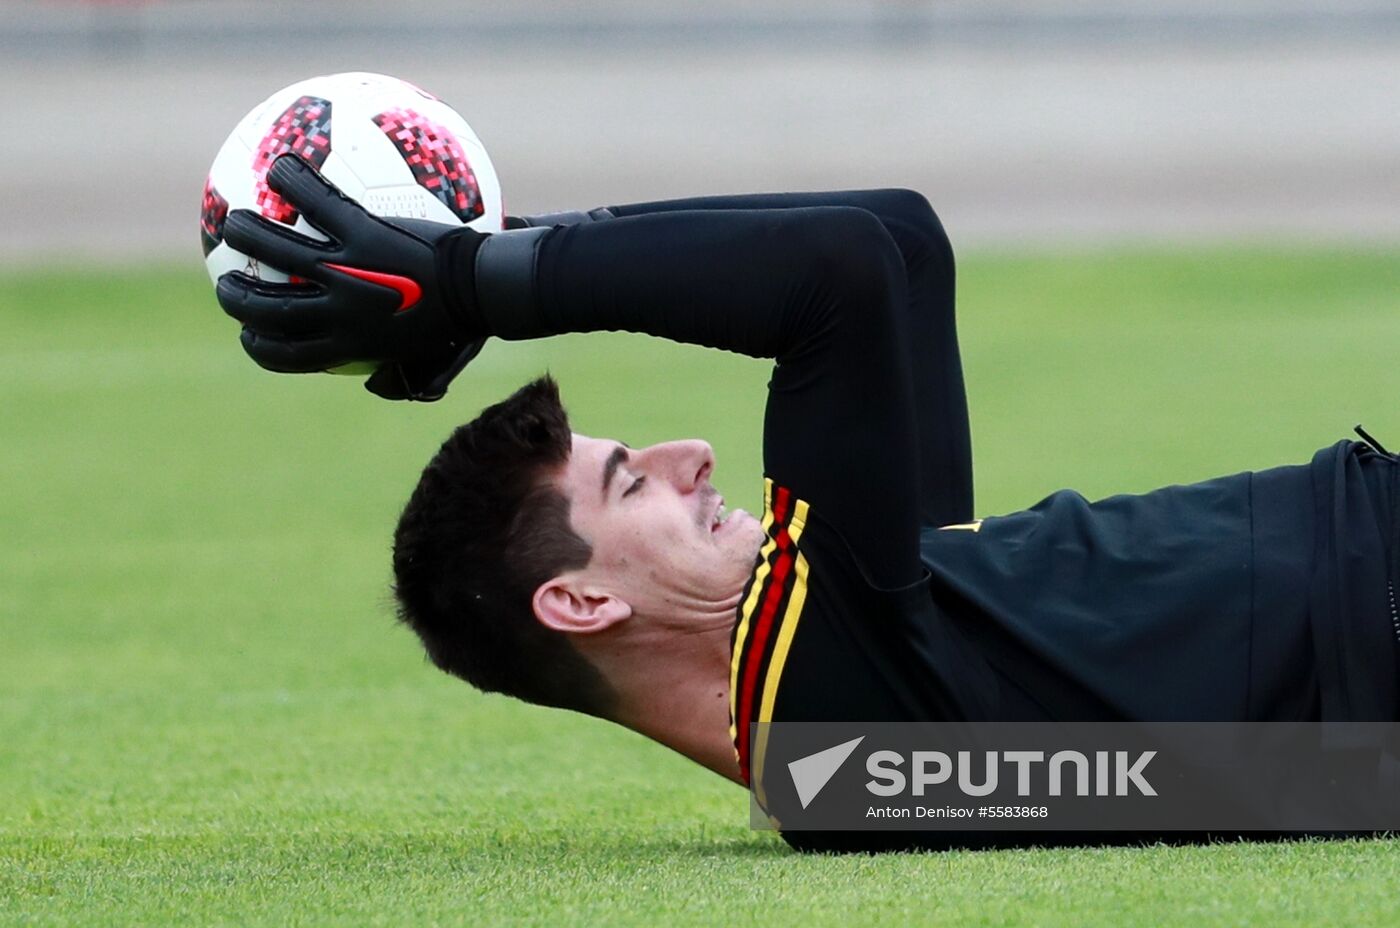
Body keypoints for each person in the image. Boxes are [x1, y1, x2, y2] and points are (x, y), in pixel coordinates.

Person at [216, 153, 1399, 852]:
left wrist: (500, 248)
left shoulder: (857, 731)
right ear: (579, 602)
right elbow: (832, 270)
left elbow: (899, 240)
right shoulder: (824, 696)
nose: (690, 455)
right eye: (630, 480)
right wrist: (477, 278)